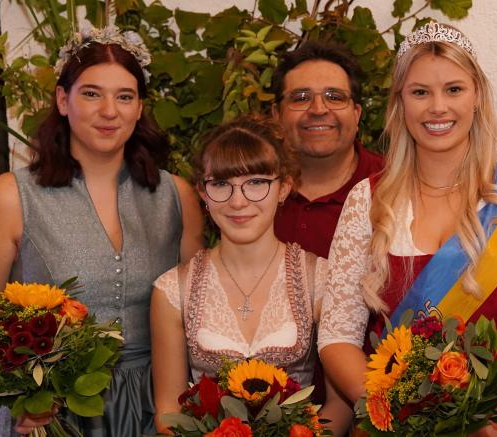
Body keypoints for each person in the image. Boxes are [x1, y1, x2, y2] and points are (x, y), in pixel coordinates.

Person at [0, 27, 205, 436]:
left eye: (124, 96)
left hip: (157, 409)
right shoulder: (10, 197)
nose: (109, 111)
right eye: (91, 93)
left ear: (140, 107)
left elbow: (200, 314)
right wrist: (16, 397)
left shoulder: (177, 197)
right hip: (50, 414)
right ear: (62, 100)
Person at [317, 23, 497, 434]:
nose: (437, 107)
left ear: (477, 96)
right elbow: (337, 336)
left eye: (453, 89)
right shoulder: (368, 200)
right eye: (420, 92)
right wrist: (392, 413)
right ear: (400, 103)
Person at [150, 116, 351, 434]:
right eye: (221, 184)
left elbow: (341, 404)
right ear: (203, 193)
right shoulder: (173, 290)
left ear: (284, 187)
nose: (238, 201)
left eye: (256, 182)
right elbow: (167, 411)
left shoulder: (321, 280)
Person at [270, 40, 385, 258]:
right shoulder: (249, 189)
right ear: (276, 115)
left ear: (357, 113)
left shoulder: (394, 185)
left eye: (334, 97)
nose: (318, 109)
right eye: (301, 98)